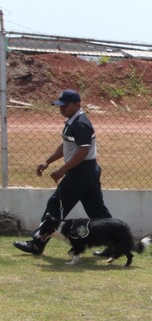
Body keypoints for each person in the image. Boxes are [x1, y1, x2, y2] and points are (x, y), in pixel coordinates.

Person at [14, 90, 112, 255]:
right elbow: (67, 146)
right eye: (59, 105)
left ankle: (37, 243)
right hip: (87, 171)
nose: (61, 109)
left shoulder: (80, 123)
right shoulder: (72, 121)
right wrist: (48, 161)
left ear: (77, 104)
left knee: (55, 205)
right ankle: (115, 243)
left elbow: (82, 150)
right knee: (97, 210)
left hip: (81, 172)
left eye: (64, 106)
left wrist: (61, 170)